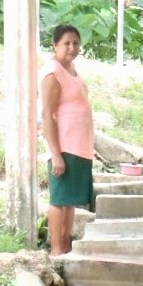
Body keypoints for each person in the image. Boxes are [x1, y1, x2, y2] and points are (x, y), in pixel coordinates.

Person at [40, 24, 94, 256]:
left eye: (75, 43)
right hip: (64, 146)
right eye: (66, 43)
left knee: (70, 201)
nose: (72, 48)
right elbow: (47, 115)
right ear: (55, 45)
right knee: (59, 199)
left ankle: (65, 245)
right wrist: (56, 153)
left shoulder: (72, 69)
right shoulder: (53, 72)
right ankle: (55, 249)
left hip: (80, 147)